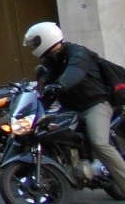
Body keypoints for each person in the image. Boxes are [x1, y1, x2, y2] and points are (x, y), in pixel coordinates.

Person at [23, 21, 125, 191]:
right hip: (70, 109)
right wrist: (37, 104)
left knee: (99, 143)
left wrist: (59, 85)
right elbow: (48, 86)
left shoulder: (77, 52)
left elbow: (75, 72)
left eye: (35, 43)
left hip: (95, 104)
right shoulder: (51, 62)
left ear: (45, 39)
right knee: (47, 132)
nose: (33, 47)